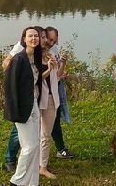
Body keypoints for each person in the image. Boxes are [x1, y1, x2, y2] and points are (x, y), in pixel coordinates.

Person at [3, 26, 43, 186]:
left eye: (36, 36)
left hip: (33, 105)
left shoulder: (36, 57)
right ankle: (17, 181)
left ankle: (32, 182)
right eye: (30, 36)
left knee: (36, 147)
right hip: (21, 109)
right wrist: (14, 111)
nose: (34, 39)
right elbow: (10, 87)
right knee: (29, 146)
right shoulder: (19, 59)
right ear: (24, 39)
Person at [33, 28, 60, 180]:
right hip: (37, 99)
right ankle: (31, 163)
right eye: (42, 37)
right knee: (33, 134)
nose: (44, 40)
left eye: (44, 37)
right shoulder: (31, 56)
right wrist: (49, 69)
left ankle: (43, 167)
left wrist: (60, 65)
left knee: (45, 135)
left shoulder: (50, 54)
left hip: (51, 98)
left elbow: (57, 77)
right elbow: (35, 80)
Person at [43, 27, 74, 159]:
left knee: (55, 121)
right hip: (45, 92)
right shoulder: (39, 52)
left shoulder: (54, 49)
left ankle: (60, 149)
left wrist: (63, 64)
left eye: (55, 41)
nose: (52, 43)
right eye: (50, 39)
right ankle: (10, 157)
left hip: (55, 90)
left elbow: (57, 74)